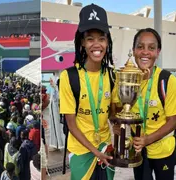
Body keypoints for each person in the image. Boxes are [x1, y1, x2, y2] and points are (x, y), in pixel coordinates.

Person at [112, 28, 176, 180]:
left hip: (163, 150)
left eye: (151, 48)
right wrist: (116, 124)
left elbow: (173, 120)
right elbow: (116, 109)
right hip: (137, 150)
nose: (145, 52)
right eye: (140, 46)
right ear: (134, 50)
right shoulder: (124, 78)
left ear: (158, 52)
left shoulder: (167, 80)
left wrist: (147, 140)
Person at [59, 3, 115, 180]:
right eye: (90, 39)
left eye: (101, 38)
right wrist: (95, 152)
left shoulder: (112, 76)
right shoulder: (70, 76)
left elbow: (113, 114)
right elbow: (71, 124)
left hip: (106, 148)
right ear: (82, 42)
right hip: (82, 151)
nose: (96, 45)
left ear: (107, 42)